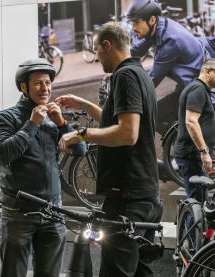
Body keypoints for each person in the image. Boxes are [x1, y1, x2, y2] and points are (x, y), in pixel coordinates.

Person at [55, 21, 163, 277]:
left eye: (96, 50)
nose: (95, 57)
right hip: (144, 195)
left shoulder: (124, 76)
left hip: (127, 199)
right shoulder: (140, 73)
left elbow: (127, 133)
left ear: (107, 45)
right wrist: (84, 105)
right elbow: (120, 120)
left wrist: (81, 135)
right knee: (138, 272)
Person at [0, 58, 86, 277]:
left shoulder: (54, 119)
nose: (45, 88)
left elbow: (82, 151)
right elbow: (4, 153)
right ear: (23, 87)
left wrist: (62, 124)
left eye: (48, 83)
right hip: (18, 214)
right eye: (38, 83)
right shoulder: (4, 118)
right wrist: (32, 124)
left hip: (53, 213)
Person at [127, 0, 214, 135]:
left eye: (136, 22)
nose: (133, 28)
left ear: (151, 20)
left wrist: (126, 94)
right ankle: (180, 139)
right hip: (191, 85)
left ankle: (182, 143)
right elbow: (137, 49)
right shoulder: (159, 27)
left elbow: (151, 81)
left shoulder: (170, 42)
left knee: (150, 115)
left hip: (197, 91)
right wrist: (116, 61)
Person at [174, 59, 215, 202]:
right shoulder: (197, 89)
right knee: (198, 202)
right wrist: (204, 152)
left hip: (194, 156)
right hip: (192, 156)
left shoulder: (202, 90)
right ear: (207, 71)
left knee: (200, 201)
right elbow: (191, 122)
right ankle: (191, 225)